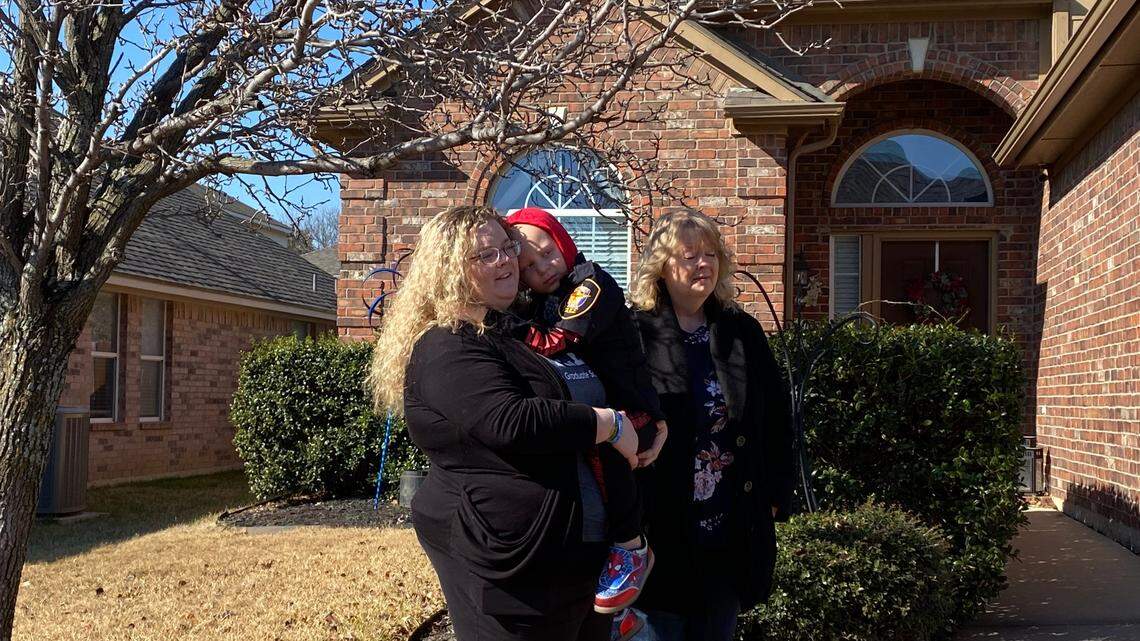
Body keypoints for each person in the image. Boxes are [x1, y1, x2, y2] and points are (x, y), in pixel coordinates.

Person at [369, 206, 640, 641]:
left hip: (580, 559)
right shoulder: (447, 344)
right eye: (486, 255)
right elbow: (508, 419)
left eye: (507, 248)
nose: (507, 261)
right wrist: (608, 424)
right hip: (517, 567)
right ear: (451, 270)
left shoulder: (516, 329)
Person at [628, 210, 794, 641]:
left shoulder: (740, 331)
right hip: (662, 527)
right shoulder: (635, 334)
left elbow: (775, 417)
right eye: (689, 256)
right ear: (662, 267)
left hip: (729, 525)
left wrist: (776, 492)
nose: (704, 264)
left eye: (711, 254)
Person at [504, 207, 667, 626]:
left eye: (545, 251)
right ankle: (618, 615)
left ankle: (633, 548)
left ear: (560, 237)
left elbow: (556, 341)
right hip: (605, 410)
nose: (543, 267)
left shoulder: (591, 283)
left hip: (634, 410)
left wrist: (504, 324)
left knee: (608, 451)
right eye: (529, 267)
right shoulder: (543, 298)